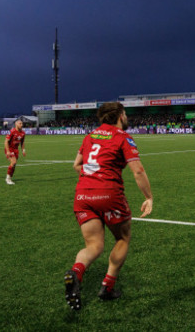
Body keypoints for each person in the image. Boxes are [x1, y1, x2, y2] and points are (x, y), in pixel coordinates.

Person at [64, 102, 154, 311]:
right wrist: (148, 197)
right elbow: (138, 171)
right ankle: (107, 287)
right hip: (109, 194)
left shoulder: (90, 136)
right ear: (120, 116)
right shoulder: (122, 137)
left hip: (83, 194)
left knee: (94, 246)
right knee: (122, 238)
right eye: (125, 114)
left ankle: (76, 272)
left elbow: (76, 165)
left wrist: (93, 177)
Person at [3, 119, 27, 185]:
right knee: (13, 162)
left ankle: (10, 178)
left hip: (16, 150)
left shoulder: (23, 133)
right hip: (10, 149)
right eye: (20, 123)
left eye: (22, 123)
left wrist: (23, 150)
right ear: (16, 124)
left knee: (14, 165)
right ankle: (7, 179)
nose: (21, 125)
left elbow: (22, 142)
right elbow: (6, 141)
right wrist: (7, 151)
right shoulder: (12, 131)